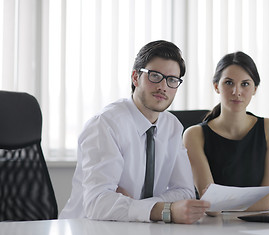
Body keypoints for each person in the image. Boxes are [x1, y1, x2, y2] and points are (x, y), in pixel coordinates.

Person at [59, 40, 210, 223]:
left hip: (140, 229)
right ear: (135, 77)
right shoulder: (105, 124)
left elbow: (185, 191)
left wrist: (140, 206)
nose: (163, 87)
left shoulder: (172, 126)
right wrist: (161, 209)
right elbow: (97, 203)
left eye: (172, 80)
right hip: (89, 229)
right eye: (155, 76)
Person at [183, 51, 269, 212]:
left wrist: (226, 207)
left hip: (256, 228)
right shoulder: (194, 135)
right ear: (216, 86)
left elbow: (266, 203)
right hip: (213, 229)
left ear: (255, 89)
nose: (237, 91)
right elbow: (212, 206)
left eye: (245, 84)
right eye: (229, 83)